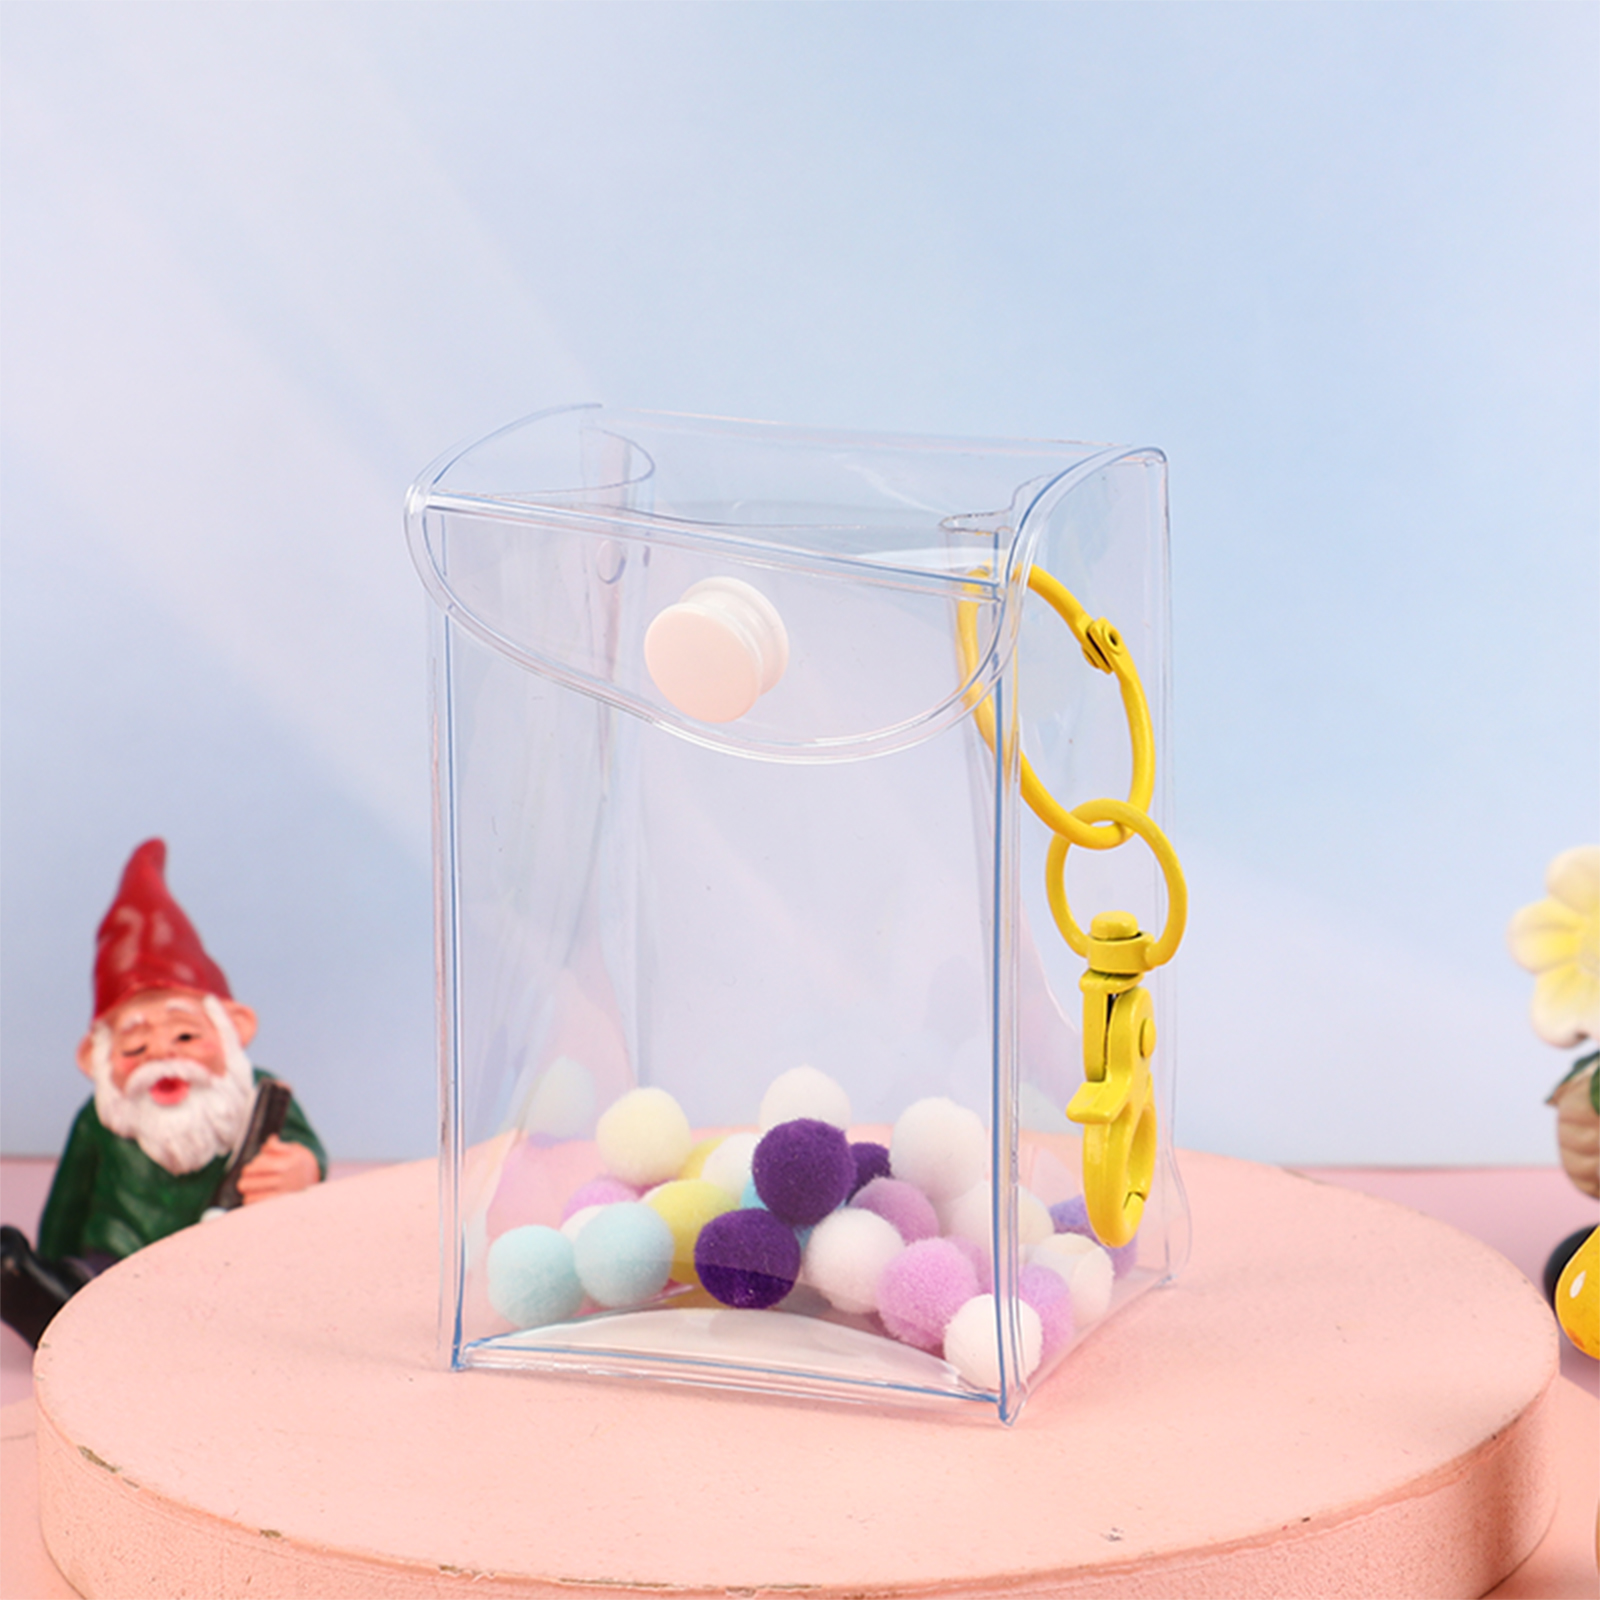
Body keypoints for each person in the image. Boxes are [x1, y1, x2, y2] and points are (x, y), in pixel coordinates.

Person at [1, 840, 326, 1347]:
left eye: (186, 1036)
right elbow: (71, 1196)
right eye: (135, 1047)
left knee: (268, 1291)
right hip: (116, 1262)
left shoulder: (259, 1099)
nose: (161, 1055)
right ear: (94, 1058)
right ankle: (58, 1304)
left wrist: (303, 1168)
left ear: (235, 1027)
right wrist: (49, 1260)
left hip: (233, 1258)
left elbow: (306, 1149)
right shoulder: (102, 1118)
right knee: (85, 1291)